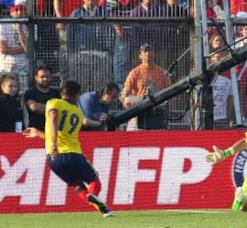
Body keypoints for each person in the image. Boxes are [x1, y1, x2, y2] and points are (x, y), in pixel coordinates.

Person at [22, 80, 113, 217]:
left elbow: (54, 120)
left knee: (77, 185)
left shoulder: (53, 103)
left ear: (62, 92)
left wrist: (40, 135)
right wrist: (99, 123)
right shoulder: (76, 111)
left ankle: (103, 210)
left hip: (53, 159)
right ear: (77, 95)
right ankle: (93, 195)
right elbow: (82, 121)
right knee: (94, 181)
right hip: (73, 154)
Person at [66, 0, 113, 92]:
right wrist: (72, 55)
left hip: (101, 57)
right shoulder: (75, 14)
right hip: (81, 56)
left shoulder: (104, 14)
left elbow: (110, 35)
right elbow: (69, 37)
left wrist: (107, 53)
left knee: (100, 89)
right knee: (80, 88)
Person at [121, 43, 172, 131]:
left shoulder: (162, 73)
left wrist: (167, 113)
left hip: (157, 114)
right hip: (138, 114)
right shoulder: (135, 73)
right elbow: (124, 95)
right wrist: (132, 110)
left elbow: (170, 95)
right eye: (145, 51)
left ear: (154, 54)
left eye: (150, 51)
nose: (148, 53)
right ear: (140, 55)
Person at [0, 4, 28, 94]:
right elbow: (3, 49)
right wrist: (23, 48)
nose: (20, 13)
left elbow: (29, 48)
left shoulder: (30, 25)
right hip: (7, 64)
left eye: (22, 10)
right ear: (11, 12)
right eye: (16, 10)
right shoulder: (4, 24)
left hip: (24, 65)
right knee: (6, 91)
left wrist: (20, 29)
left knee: (23, 91)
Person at [23, 65, 60, 130]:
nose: (45, 79)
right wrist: (54, 111)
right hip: (35, 132)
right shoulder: (30, 93)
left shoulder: (56, 93)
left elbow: (61, 110)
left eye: (47, 76)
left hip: (53, 130)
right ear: (36, 77)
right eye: (42, 77)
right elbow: (34, 107)